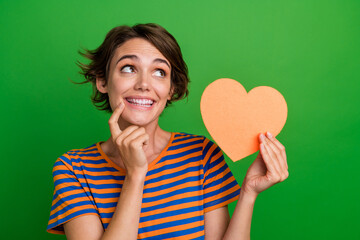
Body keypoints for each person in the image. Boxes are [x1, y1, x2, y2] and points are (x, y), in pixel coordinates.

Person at [47, 23, 288, 240]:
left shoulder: (201, 155)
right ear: (102, 81)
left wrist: (248, 193)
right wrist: (135, 175)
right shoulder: (73, 169)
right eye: (129, 68)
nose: (144, 84)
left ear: (171, 89)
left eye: (159, 72)